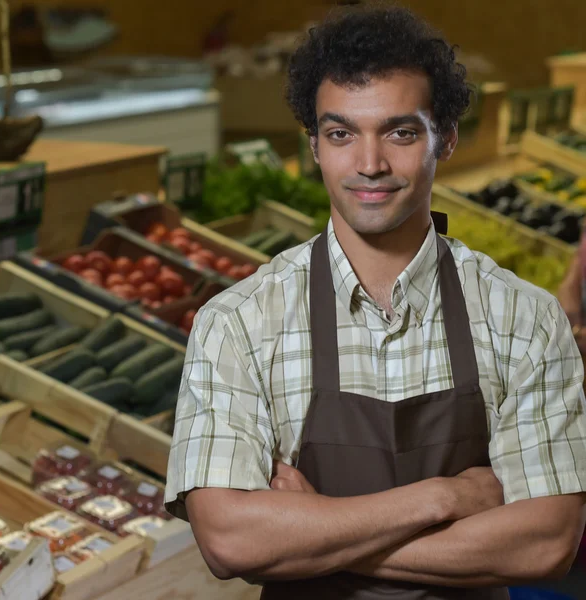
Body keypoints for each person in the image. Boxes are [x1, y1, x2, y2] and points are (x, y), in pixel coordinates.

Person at [165, 7, 586, 599]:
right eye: (341, 134)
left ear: (446, 136)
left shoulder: (525, 320)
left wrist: (316, 535)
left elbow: (545, 542)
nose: (369, 164)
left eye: (400, 132)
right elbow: (231, 541)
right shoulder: (239, 322)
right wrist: (444, 498)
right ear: (313, 145)